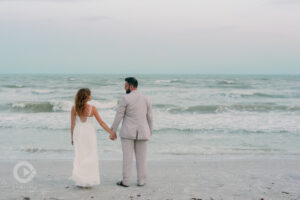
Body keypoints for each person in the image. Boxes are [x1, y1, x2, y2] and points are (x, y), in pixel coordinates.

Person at [69, 88, 117, 188]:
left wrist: (72, 138)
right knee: (90, 155)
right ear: (86, 97)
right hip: (89, 133)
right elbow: (102, 123)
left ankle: (80, 180)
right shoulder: (92, 108)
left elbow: (72, 125)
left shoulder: (74, 108)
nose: (91, 96)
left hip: (78, 133)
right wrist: (111, 132)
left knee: (80, 155)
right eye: (90, 95)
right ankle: (88, 180)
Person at [111, 77, 153, 187]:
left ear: (131, 86)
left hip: (127, 133)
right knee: (142, 158)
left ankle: (125, 181)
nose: (124, 88)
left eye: (125, 86)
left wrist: (113, 131)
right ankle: (141, 181)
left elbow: (118, 116)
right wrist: (150, 131)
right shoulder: (146, 98)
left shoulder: (125, 98)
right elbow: (150, 117)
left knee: (127, 158)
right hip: (143, 132)